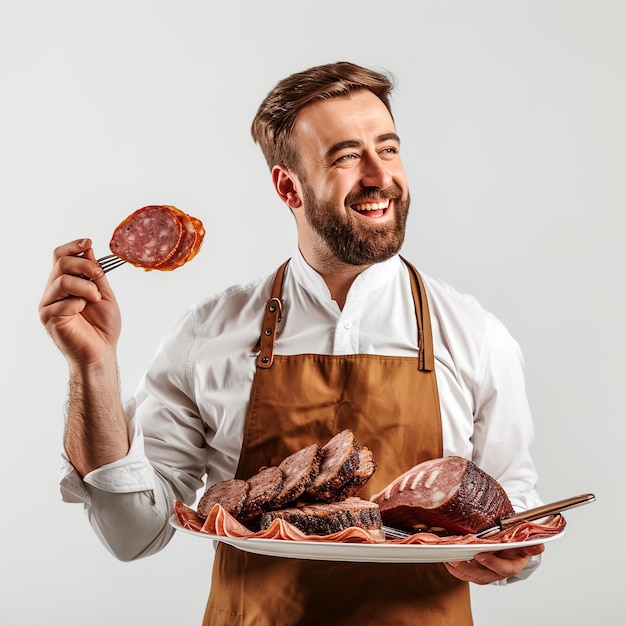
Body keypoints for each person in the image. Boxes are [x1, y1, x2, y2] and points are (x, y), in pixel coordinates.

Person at [39, 61, 545, 625]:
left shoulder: (475, 334)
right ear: (288, 187)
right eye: (347, 156)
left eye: (389, 148)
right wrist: (94, 367)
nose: (380, 176)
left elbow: (512, 515)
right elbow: (133, 534)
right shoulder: (207, 334)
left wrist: (510, 554)